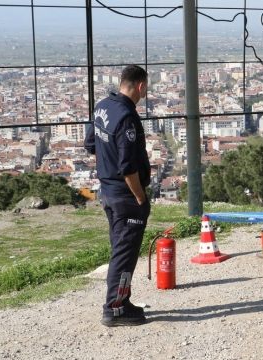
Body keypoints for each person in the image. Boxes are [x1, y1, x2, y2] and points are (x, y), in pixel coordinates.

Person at [84, 65, 151, 326]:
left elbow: (91, 144)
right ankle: (115, 308)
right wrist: (140, 199)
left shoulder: (103, 106)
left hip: (108, 192)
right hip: (126, 198)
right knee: (125, 253)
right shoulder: (126, 116)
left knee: (119, 249)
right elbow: (128, 167)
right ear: (140, 86)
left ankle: (123, 300)